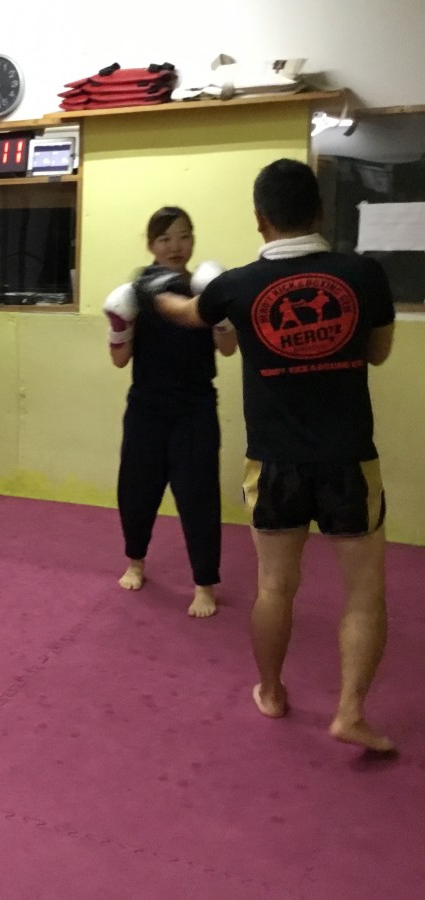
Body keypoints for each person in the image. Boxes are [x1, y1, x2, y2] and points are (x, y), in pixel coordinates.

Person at [147, 159, 397, 752]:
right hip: (348, 459)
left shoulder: (237, 285)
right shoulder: (364, 274)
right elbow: (378, 352)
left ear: (260, 218)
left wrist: (151, 290)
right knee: (364, 592)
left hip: (274, 462)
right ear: (319, 211)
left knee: (275, 588)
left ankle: (272, 691)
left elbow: (186, 314)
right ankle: (350, 713)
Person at [103, 207, 237, 618]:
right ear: (151, 245)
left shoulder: (205, 290)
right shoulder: (137, 294)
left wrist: (222, 315)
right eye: (165, 239)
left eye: (183, 236)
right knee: (136, 490)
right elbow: (119, 360)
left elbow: (228, 349)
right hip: (146, 407)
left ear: (193, 240)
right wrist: (119, 326)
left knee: (198, 495)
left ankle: (204, 584)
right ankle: (136, 561)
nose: (175, 246)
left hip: (195, 407)